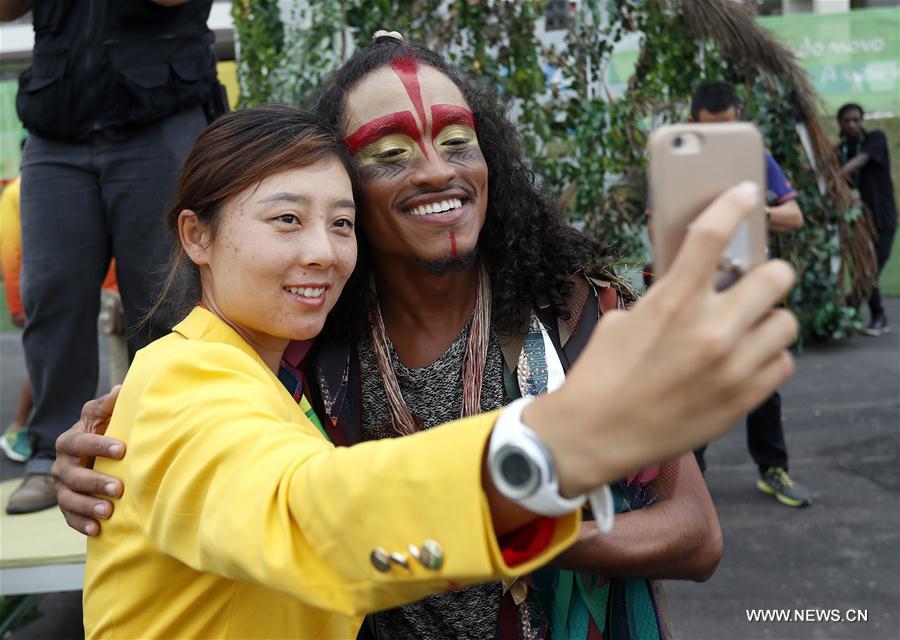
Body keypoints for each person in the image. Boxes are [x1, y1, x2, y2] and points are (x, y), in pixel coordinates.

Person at [55, 39, 798, 639]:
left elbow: (698, 535)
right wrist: (559, 450)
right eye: (390, 155)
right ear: (197, 236)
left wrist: (533, 528)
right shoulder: (309, 352)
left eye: (456, 142)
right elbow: (299, 511)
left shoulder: (573, 311)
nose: (437, 168)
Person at [0, 0, 225, 514]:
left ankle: (172, 451)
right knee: (50, 295)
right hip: (57, 127)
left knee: (169, 296)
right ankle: (54, 458)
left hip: (159, 117)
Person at [685, 81, 810, 509]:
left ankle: (772, 470)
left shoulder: (758, 158)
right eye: (713, 130)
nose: (724, 138)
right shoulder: (678, 163)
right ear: (693, 123)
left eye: (730, 127)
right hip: (701, 288)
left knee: (763, 380)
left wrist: (753, 211)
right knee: (700, 385)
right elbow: (656, 229)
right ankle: (691, 483)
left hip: (752, 286)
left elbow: (794, 216)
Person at [836, 102, 898, 337]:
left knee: (870, 270)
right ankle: (872, 315)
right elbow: (822, 165)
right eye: (847, 121)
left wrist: (835, 175)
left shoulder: (875, 139)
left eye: (855, 120)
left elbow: (861, 161)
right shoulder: (841, 150)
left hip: (884, 217)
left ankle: (858, 310)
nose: (852, 125)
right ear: (840, 124)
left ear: (862, 121)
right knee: (864, 269)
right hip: (860, 221)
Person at [0, 176, 32, 463]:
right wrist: (16, 303)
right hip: (34, 288)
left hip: (49, 287)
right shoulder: (17, 190)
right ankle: (17, 427)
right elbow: (10, 249)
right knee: (46, 354)